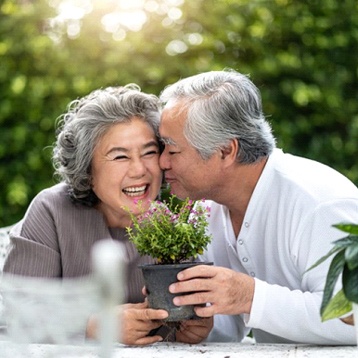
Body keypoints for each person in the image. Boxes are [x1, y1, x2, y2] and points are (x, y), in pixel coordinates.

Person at [158, 69, 358, 344]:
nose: (161, 162)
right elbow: (227, 328)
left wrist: (250, 296)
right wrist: (204, 326)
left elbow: (352, 316)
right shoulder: (207, 210)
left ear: (226, 151)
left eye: (172, 150)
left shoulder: (321, 203)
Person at [3, 84, 212, 345]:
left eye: (149, 152)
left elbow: (176, 325)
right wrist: (91, 326)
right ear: (87, 170)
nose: (139, 170)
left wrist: (190, 329)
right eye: (120, 157)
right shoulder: (52, 210)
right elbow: (16, 314)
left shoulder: (167, 226)